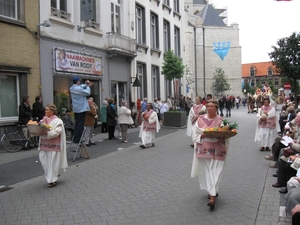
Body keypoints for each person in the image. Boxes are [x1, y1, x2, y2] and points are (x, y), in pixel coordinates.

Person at [191, 99, 229, 209]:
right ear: (206, 108)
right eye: (209, 106)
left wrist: (222, 137)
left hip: (218, 149)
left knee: (216, 171)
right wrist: (202, 135)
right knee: (207, 171)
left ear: (216, 108)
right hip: (204, 149)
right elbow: (196, 132)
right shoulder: (200, 119)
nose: (210, 108)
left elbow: (226, 134)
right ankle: (213, 193)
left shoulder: (221, 120)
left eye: (213, 106)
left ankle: (212, 195)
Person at [38, 103, 68, 188]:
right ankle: (51, 176)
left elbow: (57, 132)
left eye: (47, 110)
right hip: (44, 144)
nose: (45, 111)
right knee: (45, 161)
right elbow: (38, 128)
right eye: (45, 110)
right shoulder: (42, 120)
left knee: (52, 163)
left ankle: (52, 180)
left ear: (52, 111)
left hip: (54, 145)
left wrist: (48, 133)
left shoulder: (58, 121)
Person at [69, 76, 92, 143]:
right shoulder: (78, 89)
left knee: (77, 123)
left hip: (76, 108)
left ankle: (75, 137)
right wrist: (88, 86)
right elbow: (88, 93)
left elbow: (81, 87)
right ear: (78, 81)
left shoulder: (72, 88)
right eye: (79, 81)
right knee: (80, 124)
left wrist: (85, 84)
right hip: (81, 109)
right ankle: (78, 139)